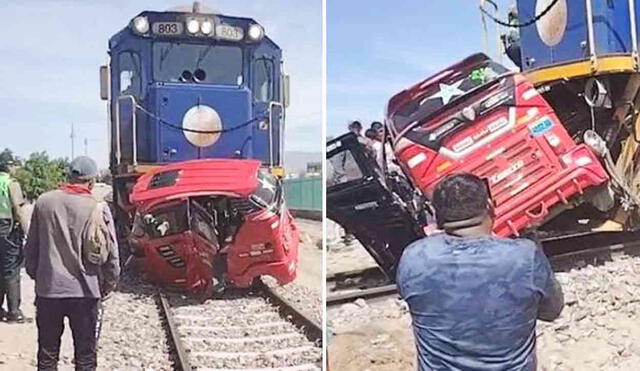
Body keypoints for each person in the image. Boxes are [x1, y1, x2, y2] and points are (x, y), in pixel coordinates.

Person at [396, 173, 564, 371]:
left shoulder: (414, 257)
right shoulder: (524, 256)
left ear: (437, 215)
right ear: (490, 207)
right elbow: (552, 310)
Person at [25, 156, 120, 371]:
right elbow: (112, 253)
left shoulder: (44, 202)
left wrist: (38, 275)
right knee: (85, 355)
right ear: (91, 181)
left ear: (69, 176)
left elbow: (31, 248)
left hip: (49, 291)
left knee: (48, 353)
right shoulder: (98, 208)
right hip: (86, 292)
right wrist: (109, 283)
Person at [0, 159, 29, 323]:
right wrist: (27, 232)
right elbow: (18, 209)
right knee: (11, 269)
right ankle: (13, 312)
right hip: (7, 229)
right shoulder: (11, 183)